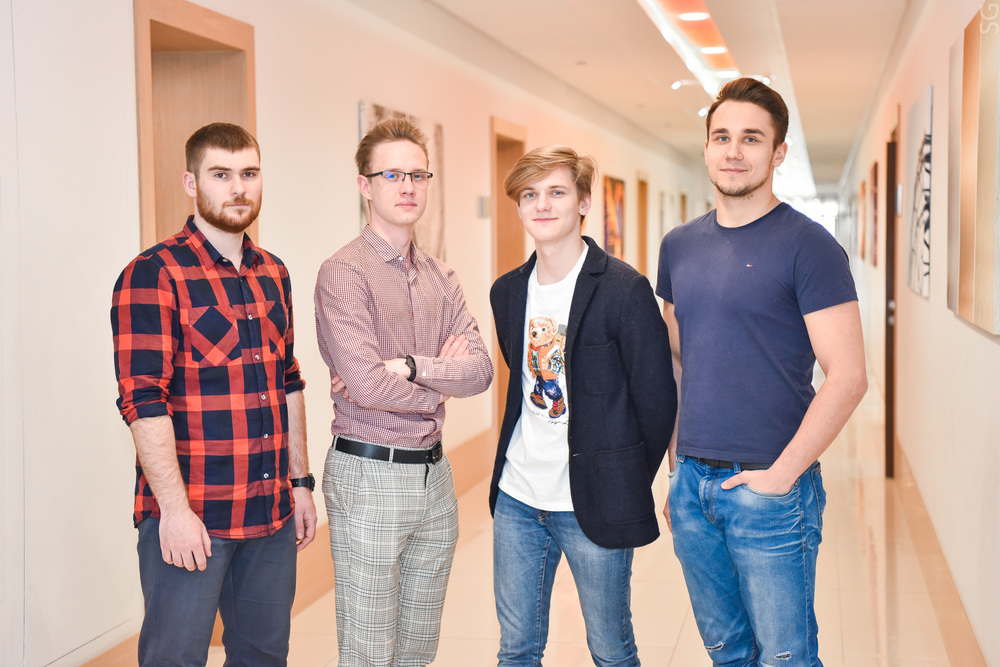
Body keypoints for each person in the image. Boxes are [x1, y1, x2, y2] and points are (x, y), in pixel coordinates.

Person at [657, 77, 868, 666]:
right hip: (693, 486)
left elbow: (848, 375)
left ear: (778, 153)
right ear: (706, 148)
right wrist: (677, 471)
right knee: (727, 654)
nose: (733, 151)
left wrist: (781, 477)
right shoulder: (679, 246)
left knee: (785, 658)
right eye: (721, 137)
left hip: (771, 488)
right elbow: (678, 360)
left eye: (751, 138)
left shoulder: (809, 246)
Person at [111, 122, 317, 666]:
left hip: (269, 512)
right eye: (221, 175)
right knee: (175, 658)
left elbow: (288, 380)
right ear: (191, 183)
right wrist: (175, 512)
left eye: (249, 173)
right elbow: (143, 401)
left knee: (263, 657)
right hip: (195, 516)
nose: (238, 188)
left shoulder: (273, 273)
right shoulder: (153, 274)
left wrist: (299, 484)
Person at [314, 118, 493, 667]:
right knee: (369, 651)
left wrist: (413, 368)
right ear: (365, 186)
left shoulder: (442, 277)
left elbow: (482, 372)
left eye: (418, 175)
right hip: (370, 475)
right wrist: (441, 384)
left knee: (418, 647)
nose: (407, 186)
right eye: (392, 175)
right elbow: (367, 384)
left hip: (435, 477)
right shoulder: (344, 273)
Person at [490, 145, 677, 666]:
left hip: (593, 501)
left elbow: (656, 399)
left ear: (584, 203)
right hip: (518, 498)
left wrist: (623, 476)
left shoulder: (624, 289)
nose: (542, 205)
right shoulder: (507, 292)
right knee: (516, 649)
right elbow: (522, 380)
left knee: (610, 650)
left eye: (557, 192)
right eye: (530, 194)